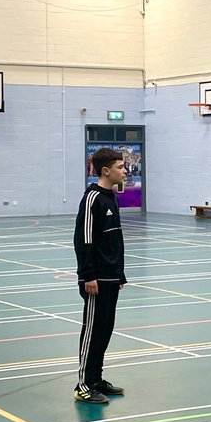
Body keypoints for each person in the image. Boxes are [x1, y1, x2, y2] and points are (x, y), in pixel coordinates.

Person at [72, 148, 129, 404]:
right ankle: (83, 384)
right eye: (120, 167)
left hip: (111, 278)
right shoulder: (92, 198)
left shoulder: (111, 197)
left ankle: (96, 379)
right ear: (106, 171)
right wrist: (88, 276)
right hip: (95, 280)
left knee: (105, 329)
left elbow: (115, 240)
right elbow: (82, 240)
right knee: (92, 331)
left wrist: (119, 275)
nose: (124, 171)